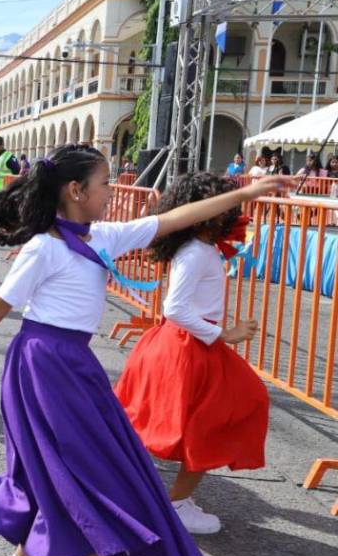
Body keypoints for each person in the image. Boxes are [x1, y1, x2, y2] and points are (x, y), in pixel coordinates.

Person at [0, 147, 292, 556]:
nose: (113, 192)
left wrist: (244, 192)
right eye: (105, 184)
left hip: (72, 364)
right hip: (44, 367)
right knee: (76, 477)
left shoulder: (102, 237)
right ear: (76, 192)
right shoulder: (44, 248)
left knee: (57, 477)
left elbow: (173, 217)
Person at [115, 173, 270, 536]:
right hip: (188, 351)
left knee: (162, 424)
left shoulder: (200, 249)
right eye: (224, 205)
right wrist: (223, 333)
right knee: (209, 424)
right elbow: (175, 308)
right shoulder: (196, 253)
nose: (232, 212)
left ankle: (153, 496)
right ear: (206, 214)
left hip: (186, 347)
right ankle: (177, 505)